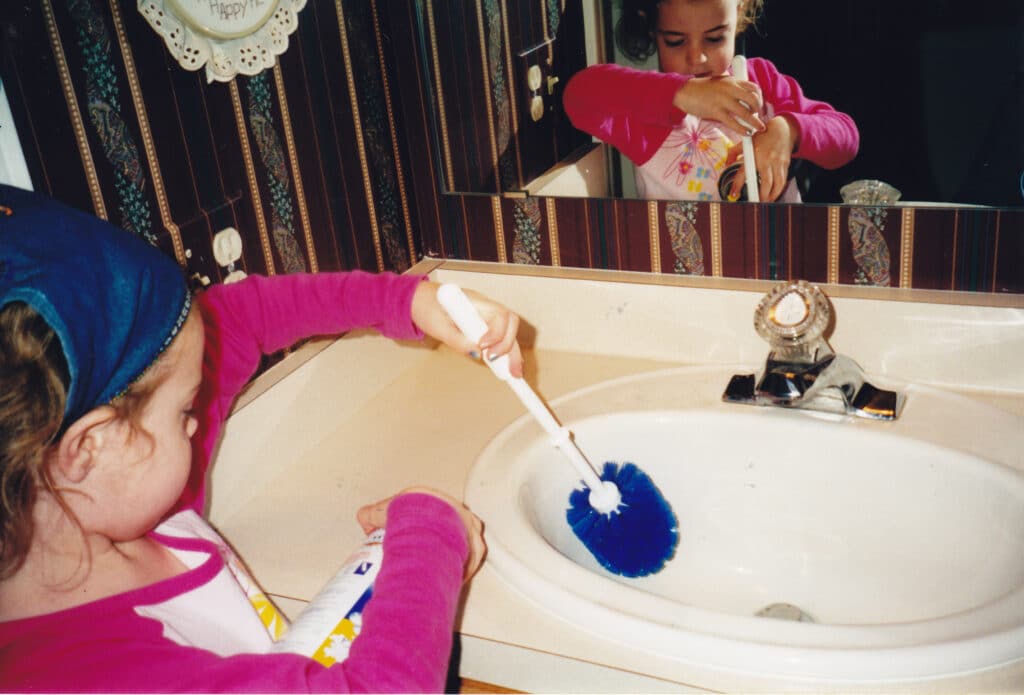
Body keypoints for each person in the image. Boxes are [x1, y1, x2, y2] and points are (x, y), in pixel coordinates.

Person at [0, 183, 523, 692]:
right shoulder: (81, 678)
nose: (195, 420)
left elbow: (238, 321)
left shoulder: (111, 497)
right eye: (185, 408)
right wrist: (433, 531)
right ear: (89, 449)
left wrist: (411, 302)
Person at [564, 0, 859, 202]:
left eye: (715, 38)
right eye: (676, 41)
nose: (697, 58)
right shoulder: (647, 112)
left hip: (780, 265)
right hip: (688, 283)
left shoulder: (763, 82)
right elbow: (579, 95)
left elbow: (847, 138)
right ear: (651, 25)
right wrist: (682, 93)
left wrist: (789, 131)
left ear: (739, 11)